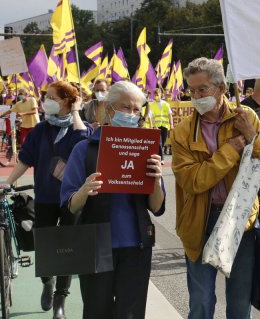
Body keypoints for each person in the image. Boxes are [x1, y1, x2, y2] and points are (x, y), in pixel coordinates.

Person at [170, 58, 260, 319]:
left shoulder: (245, 117)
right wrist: (232, 149)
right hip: (199, 223)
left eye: (202, 89)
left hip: (240, 220)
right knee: (201, 302)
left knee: (239, 302)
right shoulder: (181, 132)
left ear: (221, 88)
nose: (196, 96)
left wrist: (253, 138)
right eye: (192, 90)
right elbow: (194, 181)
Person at [60, 81, 165, 319]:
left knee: (131, 313)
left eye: (136, 109)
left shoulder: (148, 148)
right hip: (95, 246)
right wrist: (85, 190)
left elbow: (157, 207)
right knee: (96, 311)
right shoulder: (83, 149)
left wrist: (156, 181)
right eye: (125, 107)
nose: (131, 114)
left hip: (137, 246)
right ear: (109, 109)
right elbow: (71, 205)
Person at [2, 81, 90, 318]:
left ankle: (61, 298)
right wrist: (9, 181)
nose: (45, 101)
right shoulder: (41, 129)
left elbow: (82, 139)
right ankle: (47, 282)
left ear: (67, 101)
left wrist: (75, 112)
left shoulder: (81, 127)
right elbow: (25, 159)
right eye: (46, 96)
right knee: (45, 245)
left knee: (68, 247)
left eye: (52, 97)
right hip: (45, 197)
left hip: (72, 198)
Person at [148, 88, 174, 158]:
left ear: (161, 94)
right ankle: (160, 157)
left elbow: (170, 115)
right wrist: (152, 125)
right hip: (156, 126)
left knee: (163, 141)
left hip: (165, 125)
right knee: (158, 142)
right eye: (155, 95)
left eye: (157, 94)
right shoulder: (152, 104)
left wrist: (171, 124)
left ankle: (159, 155)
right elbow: (150, 116)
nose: (156, 96)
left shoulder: (166, 104)